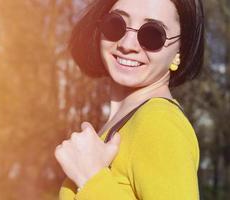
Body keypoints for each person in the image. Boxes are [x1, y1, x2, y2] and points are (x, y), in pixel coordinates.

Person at [54, 0, 204, 199]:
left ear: (180, 51)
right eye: (116, 24)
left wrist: (92, 178)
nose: (126, 44)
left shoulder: (159, 123)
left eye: (152, 34)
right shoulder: (127, 122)